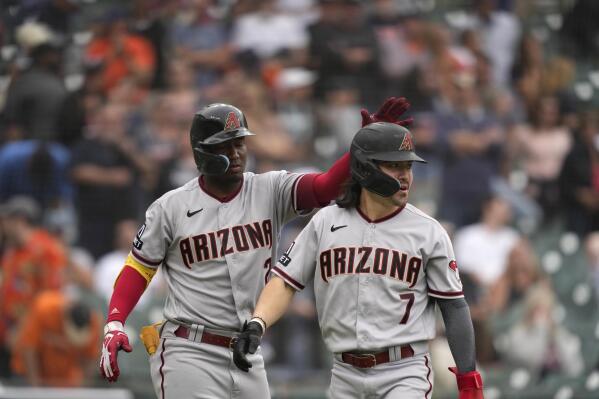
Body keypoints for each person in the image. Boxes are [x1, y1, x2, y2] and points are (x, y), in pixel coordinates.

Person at [99, 98, 412, 398]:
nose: (236, 153)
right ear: (201, 153)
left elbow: (327, 186)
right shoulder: (171, 207)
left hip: (246, 350)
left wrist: (365, 145)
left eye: (239, 143)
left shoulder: (270, 188)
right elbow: (139, 267)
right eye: (225, 145)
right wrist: (115, 321)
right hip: (188, 349)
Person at [234, 122, 484, 398]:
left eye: (408, 167)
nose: (405, 176)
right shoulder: (326, 222)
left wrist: (468, 376)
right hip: (344, 373)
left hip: (404, 371)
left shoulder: (428, 231)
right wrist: (258, 323)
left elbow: (453, 306)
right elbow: (285, 281)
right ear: (365, 168)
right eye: (394, 166)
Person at [11, 290, 101, 387]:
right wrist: (36, 389)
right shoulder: (44, 309)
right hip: (29, 373)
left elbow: (91, 358)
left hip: (65, 379)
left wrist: (83, 390)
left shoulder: (93, 323)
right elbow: (28, 348)